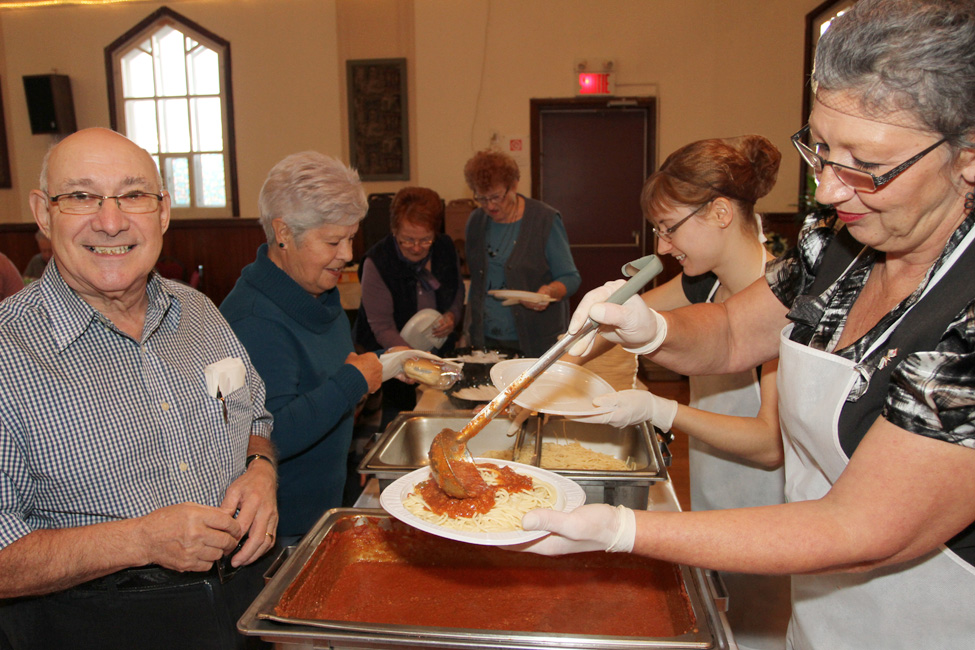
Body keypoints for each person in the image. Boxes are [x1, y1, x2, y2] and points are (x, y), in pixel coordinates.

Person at [518, 2, 975, 648]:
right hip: (818, 614)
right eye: (820, 150)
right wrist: (651, 330)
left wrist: (623, 531)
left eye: (865, 165)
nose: (828, 190)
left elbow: (861, 528)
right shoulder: (837, 242)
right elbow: (735, 331)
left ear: (967, 159)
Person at [0, 128, 277, 650]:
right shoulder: (8, 352)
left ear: (163, 211)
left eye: (133, 195)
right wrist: (139, 540)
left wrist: (261, 471)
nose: (111, 221)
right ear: (43, 213)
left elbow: (254, 418)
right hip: (96, 625)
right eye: (81, 196)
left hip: (243, 604)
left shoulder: (200, 313)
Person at [567, 134, 789, 650]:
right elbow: (624, 321)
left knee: (759, 635)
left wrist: (661, 409)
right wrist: (559, 358)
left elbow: (768, 443)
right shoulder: (702, 283)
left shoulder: (781, 299)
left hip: (769, 516)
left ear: (720, 213)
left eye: (670, 229)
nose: (663, 247)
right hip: (715, 498)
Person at [220, 152, 383, 543]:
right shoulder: (253, 319)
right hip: (281, 533)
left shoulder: (317, 292)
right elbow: (267, 434)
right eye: (333, 241)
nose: (347, 254)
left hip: (324, 508)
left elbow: (323, 392)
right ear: (283, 233)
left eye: (351, 238)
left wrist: (359, 385)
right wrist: (352, 382)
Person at [354, 186, 464, 425]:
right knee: (399, 419)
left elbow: (457, 290)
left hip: (436, 350)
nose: (416, 247)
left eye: (425, 240)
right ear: (394, 230)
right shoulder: (378, 262)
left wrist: (452, 316)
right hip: (393, 354)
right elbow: (382, 326)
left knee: (441, 416)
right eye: (408, 240)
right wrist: (412, 360)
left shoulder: (445, 247)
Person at [462, 149, 581, 357]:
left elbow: (571, 278)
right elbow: (477, 282)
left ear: (514, 185)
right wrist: (467, 331)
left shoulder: (544, 220)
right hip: (486, 338)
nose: (490, 205)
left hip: (535, 338)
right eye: (482, 198)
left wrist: (548, 292)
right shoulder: (476, 222)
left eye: (496, 197)